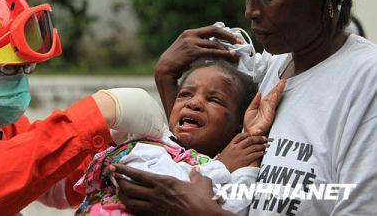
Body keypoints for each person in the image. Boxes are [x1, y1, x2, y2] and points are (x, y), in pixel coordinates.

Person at [111, 0, 377, 215]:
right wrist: (167, 77)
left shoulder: (366, 81)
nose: (250, 11)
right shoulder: (269, 69)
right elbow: (208, 159)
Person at [0, 0, 168, 216]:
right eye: (5, 69)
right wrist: (97, 112)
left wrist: (108, 145)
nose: (18, 81)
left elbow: (54, 183)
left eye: (24, 68)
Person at [74, 58, 285, 216]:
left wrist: (251, 148)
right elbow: (160, 187)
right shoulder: (146, 148)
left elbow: (235, 208)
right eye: (185, 94)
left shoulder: (226, 164)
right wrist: (223, 167)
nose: (194, 103)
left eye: (214, 100)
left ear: (237, 124)